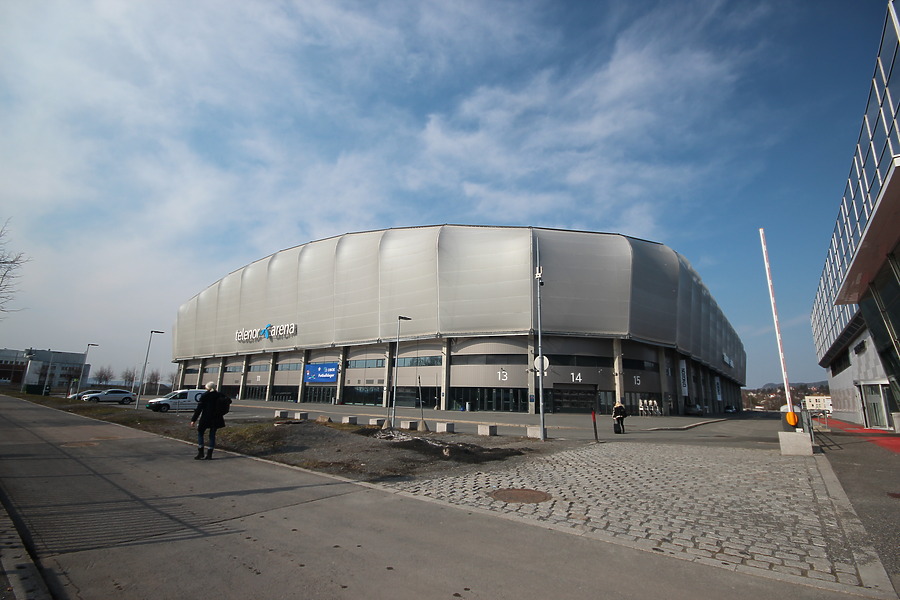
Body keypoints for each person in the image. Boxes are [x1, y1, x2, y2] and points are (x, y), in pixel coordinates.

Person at [190, 382, 227, 460]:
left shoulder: (205, 396)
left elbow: (199, 409)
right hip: (217, 418)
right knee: (212, 436)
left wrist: (193, 419)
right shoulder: (220, 395)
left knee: (200, 433)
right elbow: (228, 401)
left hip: (206, 418)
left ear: (207, 388)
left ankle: (201, 453)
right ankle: (209, 454)